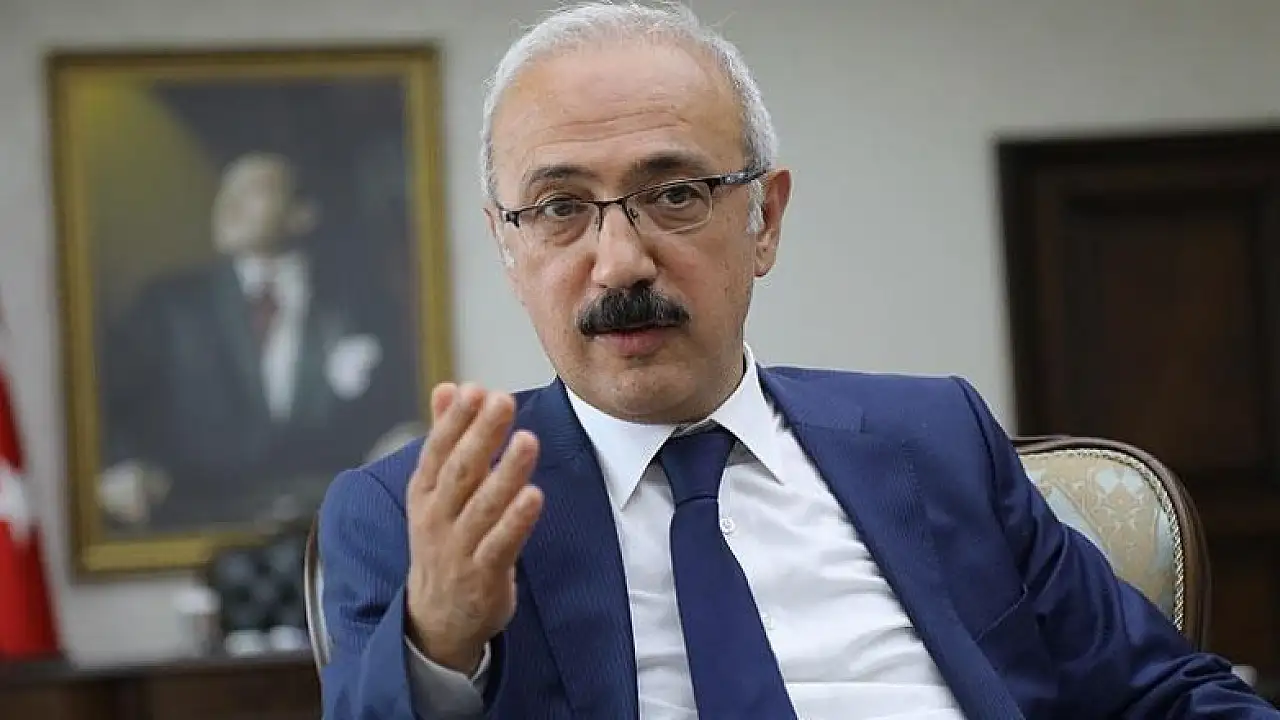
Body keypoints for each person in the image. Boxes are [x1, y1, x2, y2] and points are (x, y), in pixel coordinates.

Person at [317, 3, 1278, 718]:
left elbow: (1165, 693)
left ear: (764, 220)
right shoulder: (411, 513)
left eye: (676, 194)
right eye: (562, 208)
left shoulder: (938, 441)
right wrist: (438, 646)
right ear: (508, 244)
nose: (620, 262)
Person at [99, 151, 417, 531]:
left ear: (302, 214)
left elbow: (398, 403)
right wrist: (121, 464)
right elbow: (110, 402)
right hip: (197, 521)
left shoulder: (359, 302)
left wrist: (401, 443)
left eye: (253, 190)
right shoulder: (170, 307)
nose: (228, 204)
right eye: (225, 190)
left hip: (329, 527)